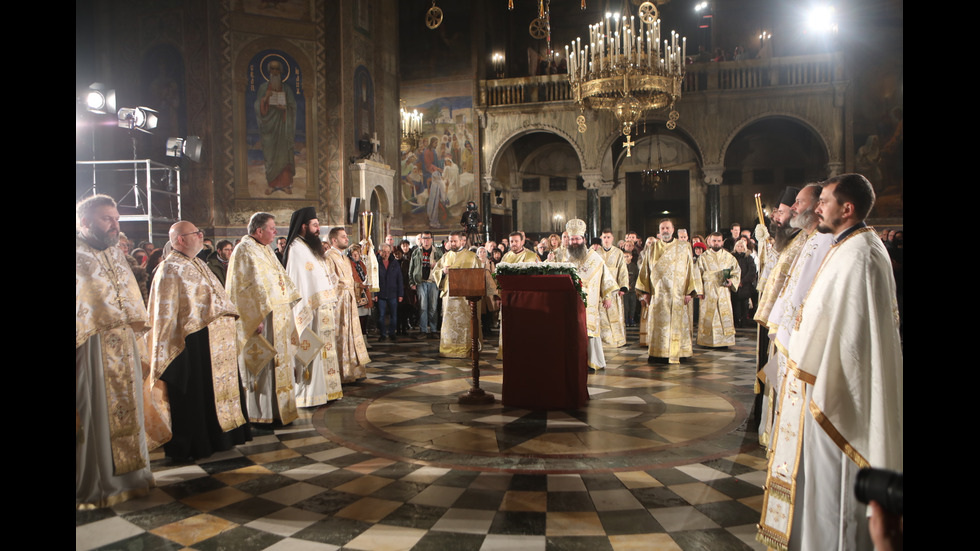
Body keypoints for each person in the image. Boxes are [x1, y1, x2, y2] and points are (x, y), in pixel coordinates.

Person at [759, 174, 903, 551]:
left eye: (823, 200)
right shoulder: (846, 246)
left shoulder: (861, 255)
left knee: (835, 494)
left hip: (837, 391)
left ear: (847, 208)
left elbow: (851, 336)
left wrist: (802, 361)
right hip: (820, 378)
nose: (817, 207)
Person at [146, 221, 251, 463]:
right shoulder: (169, 268)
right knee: (197, 393)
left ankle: (221, 436)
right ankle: (198, 442)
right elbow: (165, 315)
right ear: (180, 239)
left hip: (214, 340)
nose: (201, 236)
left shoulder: (197, 263)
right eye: (196, 233)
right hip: (191, 343)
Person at [76, 195, 154, 509]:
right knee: (94, 410)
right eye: (107, 218)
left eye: (117, 218)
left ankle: (134, 478)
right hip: (90, 345)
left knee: (129, 407)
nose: (115, 225)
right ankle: (99, 483)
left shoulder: (116, 254)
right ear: (85, 222)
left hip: (122, 343)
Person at [226, 212, 303, 425]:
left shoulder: (264, 249)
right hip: (263, 319)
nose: (275, 231)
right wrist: (252, 318)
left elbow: (280, 279)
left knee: (280, 363)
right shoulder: (244, 250)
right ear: (259, 231)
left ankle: (280, 411)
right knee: (265, 366)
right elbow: (241, 288)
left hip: (278, 317)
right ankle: (263, 414)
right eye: (272, 228)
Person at [282, 207, 343, 407]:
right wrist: (306, 308)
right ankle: (310, 395)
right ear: (303, 227)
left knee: (324, 352)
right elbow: (299, 282)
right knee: (313, 352)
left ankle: (326, 391)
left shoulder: (309, 247)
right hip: (310, 311)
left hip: (321, 309)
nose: (318, 229)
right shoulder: (296, 249)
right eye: (315, 225)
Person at [635, 220, 702, 364]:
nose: (665, 230)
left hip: (678, 294)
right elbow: (645, 270)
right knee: (659, 326)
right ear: (659, 231)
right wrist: (645, 292)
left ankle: (680, 352)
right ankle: (658, 353)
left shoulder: (684, 247)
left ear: (673, 230)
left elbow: (691, 269)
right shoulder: (652, 247)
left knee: (678, 324)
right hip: (658, 295)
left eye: (667, 228)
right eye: (662, 228)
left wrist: (690, 292)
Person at [564, 220, 618, 371]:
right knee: (571, 331)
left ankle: (591, 362)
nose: (574, 242)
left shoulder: (595, 257)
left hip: (590, 302)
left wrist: (607, 296)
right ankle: (573, 361)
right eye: (572, 239)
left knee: (590, 331)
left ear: (583, 240)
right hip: (569, 301)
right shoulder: (564, 257)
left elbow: (605, 277)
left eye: (577, 239)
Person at [432, 231, 492, 358]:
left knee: (466, 324)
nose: (452, 243)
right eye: (450, 241)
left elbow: (479, 276)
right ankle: (449, 349)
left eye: (455, 241)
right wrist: (443, 271)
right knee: (449, 323)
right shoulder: (446, 256)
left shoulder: (471, 256)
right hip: (449, 296)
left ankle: (468, 348)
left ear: (461, 241)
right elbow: (435, 272)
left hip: (466, 297)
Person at [324, 227, 372, 381]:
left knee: (352, 335)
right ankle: (342, 373)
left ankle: (354, 370)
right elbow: (329, 282)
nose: (347, 239)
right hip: (339, 304)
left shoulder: (345, 258)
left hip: (350, 301)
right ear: (334, 240)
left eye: (346, 236)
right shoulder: (328, 257)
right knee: (342, 335)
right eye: (343, 237)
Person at [254, 59, 297, 195]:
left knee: (284, 155)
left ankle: (285, 184)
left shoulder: (287, 89)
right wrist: (265, 99)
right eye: (272, 69)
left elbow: (293, 107)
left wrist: (285, 108)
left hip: (283, 128)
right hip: (269, 128)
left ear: (281, 72)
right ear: (269, 72)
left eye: (277, 69)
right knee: (271, 156)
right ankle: (272, 184)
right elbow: (257, 108)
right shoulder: (263, 88)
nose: (274, 72)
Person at [496, 231, 539, 358]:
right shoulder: (505, 257)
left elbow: (538, 276)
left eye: (516, 241)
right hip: (508, 296)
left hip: (525, 296)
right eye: (511, 241)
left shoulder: (532, 256)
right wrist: (498, 295)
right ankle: (506, 352)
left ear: (522, 242)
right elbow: (498, 278)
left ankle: (524, 351)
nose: (513, 244)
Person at [695, 232, 740, 347]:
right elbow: (696, 275)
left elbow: (736, 272)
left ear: (722, 241)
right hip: (708, 290)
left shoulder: (729, 257)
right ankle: (707, 340)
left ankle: (724, 341)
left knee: (722, 314)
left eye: (719, 241)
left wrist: (732, 281)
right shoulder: (703, 257)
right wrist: (699, 291)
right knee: (709, 314)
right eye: (714, 241)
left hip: (723, 291)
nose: (716, 243)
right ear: (709, 242)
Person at [596, 229, 629, 348]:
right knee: (602, 315)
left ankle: (616, 340)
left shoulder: (618, 253)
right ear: (601, 238)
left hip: (614, 289)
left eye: (608, 237)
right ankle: (603, 341)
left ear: (612, 238)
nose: (606, 239)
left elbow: (623, 270)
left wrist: (623, 287)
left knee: (615, 314)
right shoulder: (595, 253)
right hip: (599, 290)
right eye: (604, 237)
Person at [409, 231, 443, 339]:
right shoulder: (416, 252)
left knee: (433, 307)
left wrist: (436, 264)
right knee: (422, 307)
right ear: (421, 240)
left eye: (428, 238)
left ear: (432, 239)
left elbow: (443, 266)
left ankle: (433, 330)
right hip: (420, 282)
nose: (426, 241)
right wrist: (411, 282)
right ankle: (423, 330)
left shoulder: (437, 251)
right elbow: (411, 268)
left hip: (433, 282)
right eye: (424, 238)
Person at [375, 244, 404, 342]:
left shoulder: (394, 263)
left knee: (394, 315)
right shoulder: (376, 262)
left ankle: (392, 333)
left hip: (393, 293)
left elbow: (399, 279)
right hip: (380, 293)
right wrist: (374, 294)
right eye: (384, 252)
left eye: (388, 252)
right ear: (379, 252)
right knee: (381, 315)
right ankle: (383, 334)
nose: (386, 254)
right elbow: (374, 279)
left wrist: (400, 294)